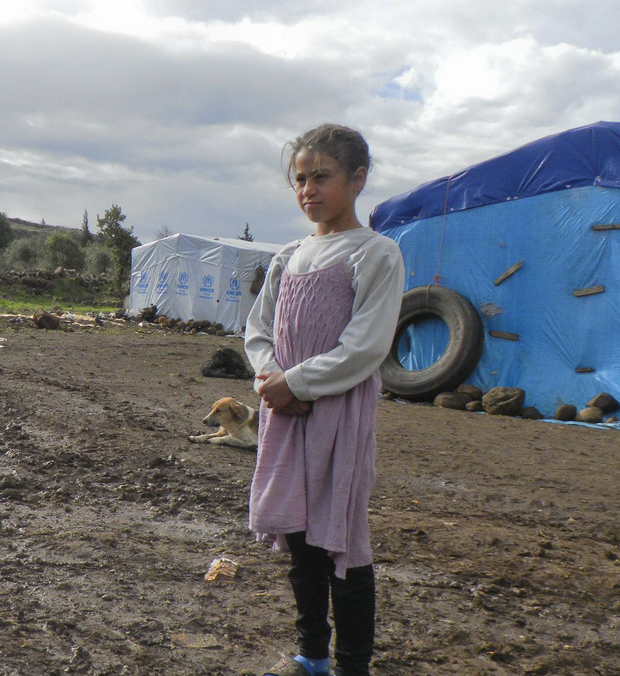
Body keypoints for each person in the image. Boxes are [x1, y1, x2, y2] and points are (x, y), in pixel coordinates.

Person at [244, 124, 405, 676]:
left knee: (339, 537)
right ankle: (310, 654)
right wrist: (270, 378)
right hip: (283, 415)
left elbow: (366, 345)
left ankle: (351, 665)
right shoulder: (289, 255)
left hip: (337, 415)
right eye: (300, 179)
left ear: (357, 179)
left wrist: (299, 384)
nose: (308, 189)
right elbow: (257, 329)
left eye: (322, 177)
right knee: (297, 532)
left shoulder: (375, 253)